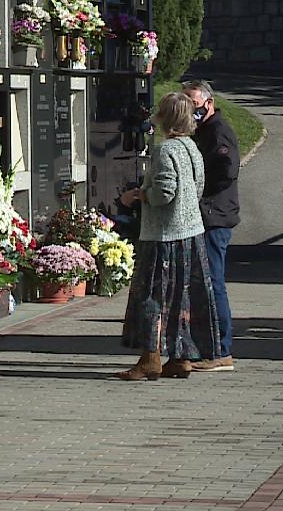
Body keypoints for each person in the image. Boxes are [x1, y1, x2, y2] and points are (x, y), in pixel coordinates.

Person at [115, 93, 221, 381]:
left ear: (166, 118)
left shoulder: (165, 150)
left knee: (152, 296)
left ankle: (150, 357)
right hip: (191, 233)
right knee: (182, 297)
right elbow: (197, 188)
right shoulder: (192, 148)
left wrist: (137, 195)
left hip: (163, 236)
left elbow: (164, 193)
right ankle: (181, 356)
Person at [183, 80, 239, 372]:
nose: (190, 109)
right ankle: (209, 347)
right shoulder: (203, 132)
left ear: (208, 102)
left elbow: (227, 170)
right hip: (208, 216)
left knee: (213, 282)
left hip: (215, 217)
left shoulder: (218, 131)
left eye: (193, 103)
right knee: (204, 284)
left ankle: (221, 350)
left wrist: (200, 193)